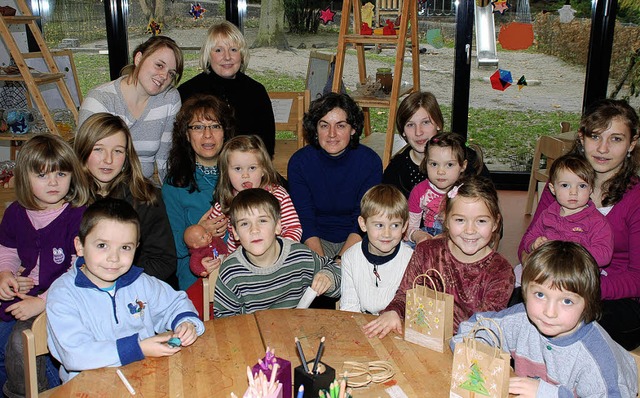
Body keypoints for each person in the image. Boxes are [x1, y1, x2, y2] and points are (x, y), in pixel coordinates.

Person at [518, 99, 640, 350]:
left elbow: (637, 277)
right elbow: (526, 245)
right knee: (515, 310)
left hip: (609, 294)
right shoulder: (563, 183)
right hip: (553, 284)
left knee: (575, 331)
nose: (603, 148)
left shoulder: (636, 198)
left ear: (632, 144)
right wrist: (535, 260)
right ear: (582, 139)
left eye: (616, 139)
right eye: (595, 136)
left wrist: (574, 289)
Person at [46, 198, 205, 383]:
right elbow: (75, 354)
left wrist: (185, 323)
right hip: (89, 386)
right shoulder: (63, 293)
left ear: (136, 249)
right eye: (102, 245)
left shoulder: (140, 282)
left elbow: (175, 303)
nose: (114, 257)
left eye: (125, 248)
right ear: (80, 246)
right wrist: (137, 348)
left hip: (145, 378)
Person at [453, 241, 638, 397]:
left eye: (566, 301)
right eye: (540, 295)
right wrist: (474, 351)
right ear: (525, 291)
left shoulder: (596, 359)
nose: (549, 312)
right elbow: (475, 327)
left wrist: (549, 394)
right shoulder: (521, 318)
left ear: (587, 303)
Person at [364, 175, 514, 338]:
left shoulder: (500, 272)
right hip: (420, 339)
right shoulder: (426, 252)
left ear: (495, 223)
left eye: (481, 221)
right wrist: (393, 311)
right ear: (446, 221)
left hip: (465, 352)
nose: (470, 230)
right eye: (460, 220)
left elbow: (484, 329)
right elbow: (405, 294)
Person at [0, 134, 90, 397]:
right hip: (23, 293)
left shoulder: (79, 215)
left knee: (19, 343)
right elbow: (8, 249)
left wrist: (43, 302)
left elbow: (81, 269)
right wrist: (5, 274)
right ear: (24, 178)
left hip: (64, 298)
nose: (53, 182)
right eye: (42, 175)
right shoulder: (15, 212)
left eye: (61, 174)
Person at [73, 113, 178, 288]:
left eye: (118, 151)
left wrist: (114, 283)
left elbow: (164, 262)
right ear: (83, 151)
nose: (108, 159)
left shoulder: (146, 197)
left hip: (136, 291)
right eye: (98, 149)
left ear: (127, 157)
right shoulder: (68, 198)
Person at [213, 189, 341, 318]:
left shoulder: (300, 255)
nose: (254, 230)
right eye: (245, 223)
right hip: (251, 335)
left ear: (278, 226)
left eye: (262, 220)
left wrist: (328, 277)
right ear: (235, 232)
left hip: (297, 331)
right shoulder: (230, 271)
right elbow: (224, 321)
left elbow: (337, 272)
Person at [288, 92, 382, 263]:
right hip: (314, 240)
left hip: (357, 237)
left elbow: (363, 218)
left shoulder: (370, 163)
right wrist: (321, 263)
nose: (332, 134)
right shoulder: (299, 163)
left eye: (340, 126)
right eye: (324, 126)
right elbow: (305, 219)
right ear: (315, 129)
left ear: (353, 129)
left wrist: (339, 261)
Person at [79, 35, 183, 182]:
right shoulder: (100, 100)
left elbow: (165, 157)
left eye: (171, 73)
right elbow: (84, 160)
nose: (164, 76)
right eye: (159, 65)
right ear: (139, 58)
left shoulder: (169, 99)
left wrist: (170, 196)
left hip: (143, 189)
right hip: (102, 190)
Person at [162, 95, 232, 290]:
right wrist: (195, 234)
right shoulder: (175, 185)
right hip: (198, 278)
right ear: (186, 134)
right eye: (198, 127)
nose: (207, 135)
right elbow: (170, 248)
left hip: (241, 274)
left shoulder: (242, 173)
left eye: (215, 126)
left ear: (225, 132)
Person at [177, 21, 276, 157]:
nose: (227, 57)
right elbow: (180, 145)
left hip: (246, 170)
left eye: (233, 50)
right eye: (218, 50)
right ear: (208, 55)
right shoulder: (188, 92)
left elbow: (267, 146)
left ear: (241, 55)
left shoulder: (256, 92)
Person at [382, 91, 489, 198]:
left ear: (438, 124)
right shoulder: (395, 172)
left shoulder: (469, 161)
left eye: (425, 122)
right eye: (410, 125)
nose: (418, 132)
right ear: (403, 131)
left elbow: (489, 205)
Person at [207, 135, 301, 253]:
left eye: (252, 168)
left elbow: (293, 228)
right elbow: (212, 238)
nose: (245, 175)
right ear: (226, 173)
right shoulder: (225, 202)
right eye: (237, 169)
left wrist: (280, 252)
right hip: (240, 264)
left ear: (263, 170)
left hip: (276, 259)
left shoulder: (277, 195)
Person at [520, 153, 613, 267]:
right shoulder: (547, 214)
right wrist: (534, 244)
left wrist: (574, 253)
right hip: (546, 270)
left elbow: (604, 255)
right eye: (565, 185)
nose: (573, 192)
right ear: (553, 189)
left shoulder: (597, 221)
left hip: (577, 277)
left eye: (582, 186)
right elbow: (530, 237)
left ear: (590, 189)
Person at [340, 184, 413, 315]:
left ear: (405, 226)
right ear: (363, 224)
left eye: (395, 225)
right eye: (379, 225)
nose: (387, 233)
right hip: (361, 323)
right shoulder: (350, 257)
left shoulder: (411, 259)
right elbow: (349, 307)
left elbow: (411, 309)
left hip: (397, 324)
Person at [406, 132, 467, 246]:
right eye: (434, 164)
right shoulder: (419, 191)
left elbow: (473, 228)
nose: (440, 171)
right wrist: (418, 235)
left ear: (463, 166)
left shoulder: (467, 193)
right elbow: (410, 227)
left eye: (449, 165)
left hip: (458, 238)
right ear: (426, 163)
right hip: (427, 235)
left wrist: (448, 236)